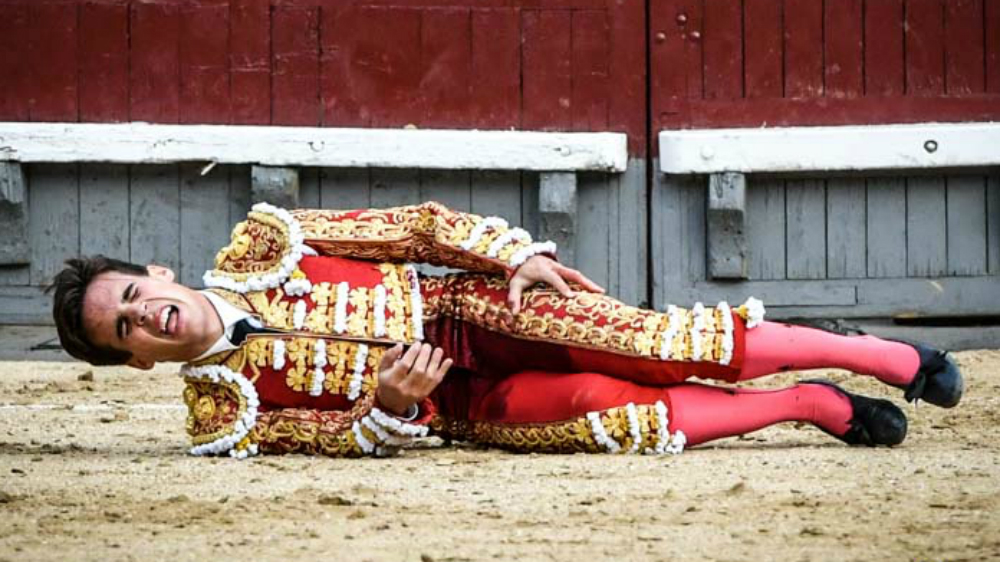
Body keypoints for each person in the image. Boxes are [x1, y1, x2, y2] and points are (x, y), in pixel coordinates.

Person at [49, 202, 963, 458]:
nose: (145, 315)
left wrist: (512, 255)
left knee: (667, 343)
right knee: (620, 417)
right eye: (125, 330)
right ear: (132, 360)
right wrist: (385, 410)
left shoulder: (267, 243)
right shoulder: (223, 415)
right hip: (464, 405)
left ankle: (882, 356)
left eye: (132, 294)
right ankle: (809, 405)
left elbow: (419, 228)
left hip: (481, 309)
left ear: (155, 275)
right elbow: (330, 437)